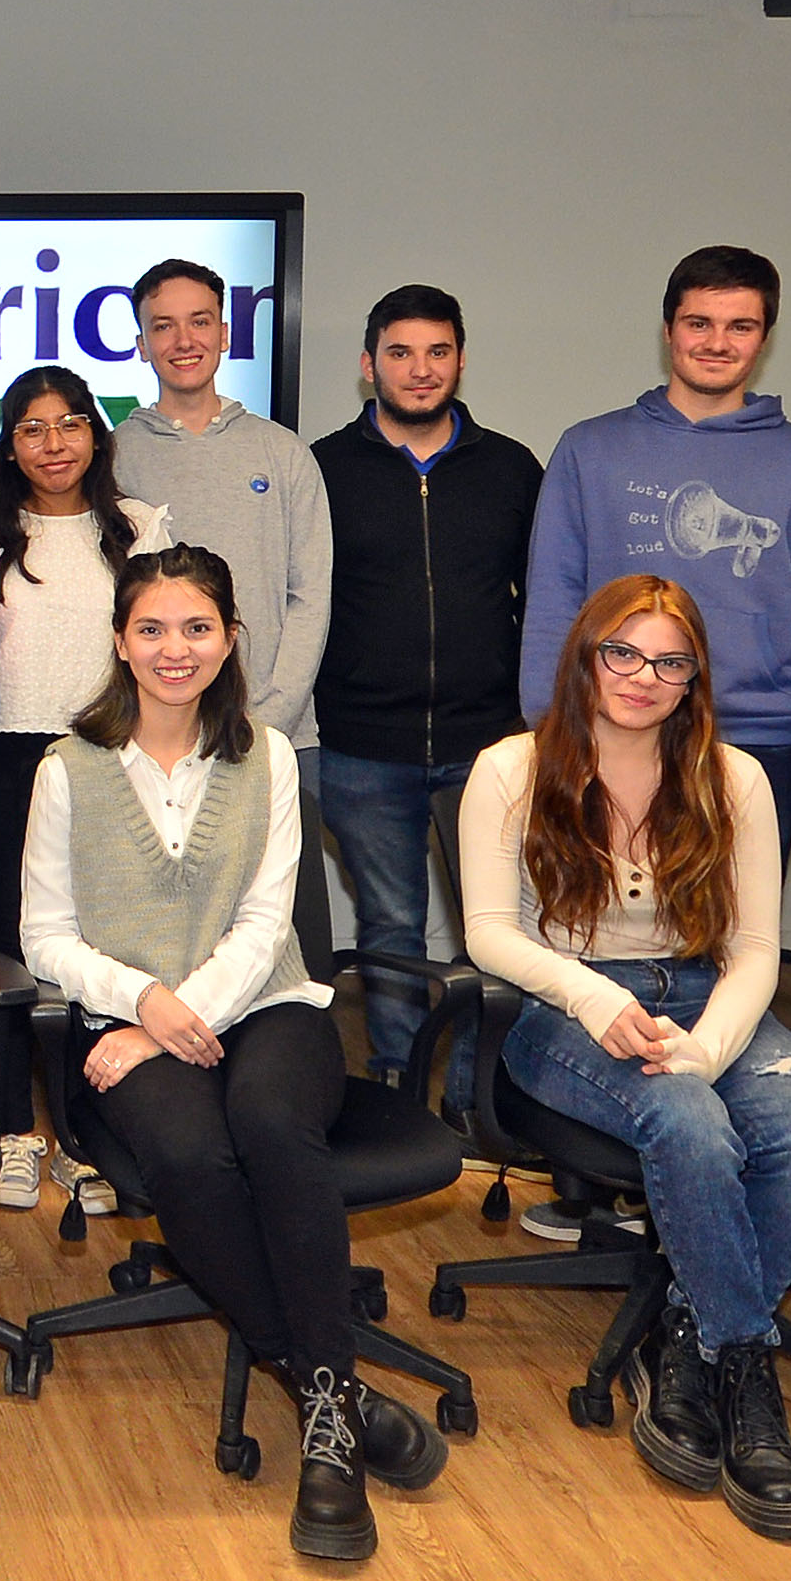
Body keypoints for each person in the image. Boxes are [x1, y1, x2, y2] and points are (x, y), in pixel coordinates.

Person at [17, 545, 446, 1561]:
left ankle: (325, 1424)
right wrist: (144, 1000)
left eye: (197, 627)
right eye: (153, 628)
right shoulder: (67, 767)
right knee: (189, 1157)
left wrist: (182, 1009)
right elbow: (45, 933)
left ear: (231, 639)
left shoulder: (269, 756)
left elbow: (267, 921)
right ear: (120, 640)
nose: (176, 649)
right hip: (130, 1014)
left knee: (267, 1121)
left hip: (265, 1003)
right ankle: (325, 1387)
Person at [464, 575, 791, 1543]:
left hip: (703, 997)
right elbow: (488, 933)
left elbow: (758, 949)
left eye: (670, 661)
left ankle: (688, 1333)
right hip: (567, 1004)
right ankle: (748, 1373)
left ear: (695, 679)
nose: (644, 677)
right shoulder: (511, 769)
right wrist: (596, 995)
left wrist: (710, 1042)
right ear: (586, 655)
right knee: (688, 1121)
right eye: (624, 653)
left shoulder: (731, 777)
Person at [521, 245, 791, 863]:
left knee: (736, 932)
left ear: (764, 337)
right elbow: (554, 594)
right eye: (699, 324)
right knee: (602, 925)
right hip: (614, 728)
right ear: (668, 331)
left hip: (763, 739)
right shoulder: (588, 449)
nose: (717, 342)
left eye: (740, 326)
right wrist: (550, 724)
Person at [307, 283, 541, 1096]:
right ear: (368, 365)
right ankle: (400, 1084)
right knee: (390, 927)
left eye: (438, 351)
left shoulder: (511, 468)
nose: (420, 369)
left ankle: (486, 1095)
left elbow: (543, 603)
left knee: (500, 929)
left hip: (491, 746)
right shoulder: (322, 470)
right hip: (362, 745)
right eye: (400, 353)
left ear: (461, 361)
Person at [0, 364, 166, 1209]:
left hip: (108, 756)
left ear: (97, 434)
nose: (53, 444)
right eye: (32, 429)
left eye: (70, 424)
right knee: (16, 952)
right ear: (8, 447)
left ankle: (89, 1134)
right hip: (6, 760)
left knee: (103, 951)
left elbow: (165, 649)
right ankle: (13, 1128)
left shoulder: (139, 527)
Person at [110, 258, 335, 758]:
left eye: (200, 321)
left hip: (278, 738)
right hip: (150, 745)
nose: (184, 340)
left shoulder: (285, 453)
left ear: (225, 333)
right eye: (163, 326)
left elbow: (311, 597)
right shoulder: (112, 459)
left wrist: (270, 720)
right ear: (142, 345)